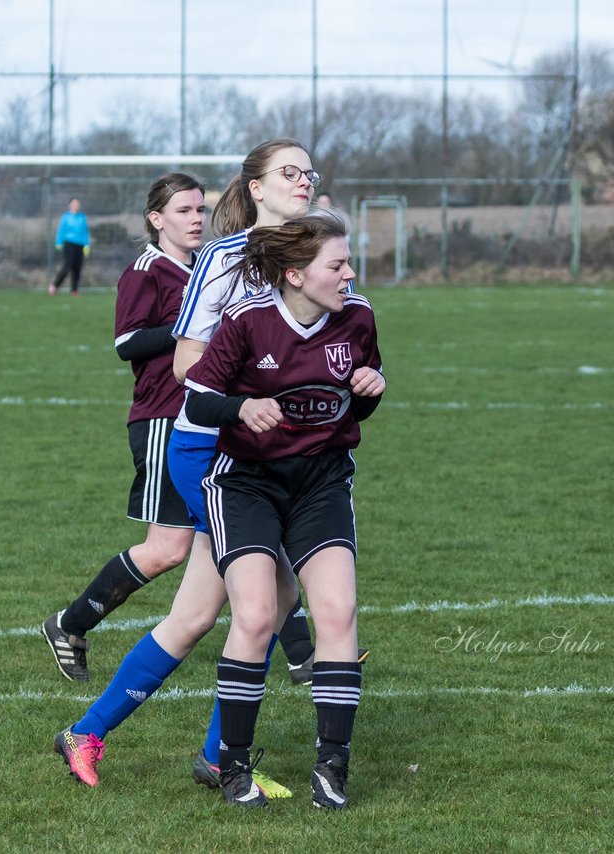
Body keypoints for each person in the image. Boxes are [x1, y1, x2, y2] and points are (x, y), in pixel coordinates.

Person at [53, 139, 349, 799]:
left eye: (310, 173)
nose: (304, 181)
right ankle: (218, 756)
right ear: (257, 187)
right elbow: (186, 365)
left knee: (197, 615)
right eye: (289, 173)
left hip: (272, 452)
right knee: (270, 599)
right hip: (209, 449)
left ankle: (91, 734)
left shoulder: (313, 254)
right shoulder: (224, 257)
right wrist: (249, 383)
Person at [185, 208, 383, 809]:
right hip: (246, 483)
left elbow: (348, 409)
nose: (349, 274)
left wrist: (370, 391)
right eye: (338, 264)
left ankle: (332, 768)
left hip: (321, 481)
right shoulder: (247, 322)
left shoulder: (359, 319)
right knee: (253, 616)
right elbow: (194, 403)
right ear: (296, 274)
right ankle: (234, 769)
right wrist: (241, 407)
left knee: (339, 611)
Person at [42, 175, 208, 682]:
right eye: (184, 211)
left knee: (238, 532)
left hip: (209, 418)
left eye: (200, 209)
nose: (196, 218)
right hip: (163, 418)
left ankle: (301, 654)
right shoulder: (146, 270)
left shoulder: (207, 267)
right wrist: (190, 328)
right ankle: (70, 623)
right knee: (167, 550)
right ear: (157, 220)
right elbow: (127, 342)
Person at [49, 197, 90, 295]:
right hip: (68, 243)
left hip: (80, 244)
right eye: (74, 203)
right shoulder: (66, 216)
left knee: (77, 268)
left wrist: (87, 245)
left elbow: (85, 232)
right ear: (70, 205)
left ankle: (74, 289)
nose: (76, 205)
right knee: (67, 266)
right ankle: (54, 285)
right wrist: (58, 242)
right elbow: (61, 230)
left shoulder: (82, 217)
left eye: (77, 203)